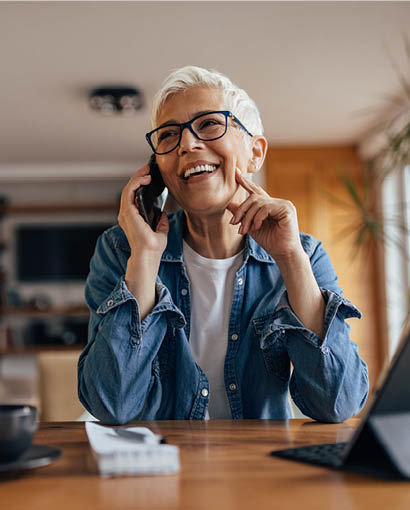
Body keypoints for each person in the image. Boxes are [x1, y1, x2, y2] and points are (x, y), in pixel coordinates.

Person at [78, 65, 369, 424]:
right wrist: (145, 257)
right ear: (158, 169)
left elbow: (337, 404)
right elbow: (111, 405)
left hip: (258, 469)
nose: (187, 144)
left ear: (255, 152)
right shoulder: (122, 251)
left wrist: (290, 258)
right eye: (168, 135)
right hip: (156, 467)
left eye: (210, 124)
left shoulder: (304, 253)